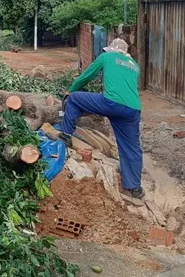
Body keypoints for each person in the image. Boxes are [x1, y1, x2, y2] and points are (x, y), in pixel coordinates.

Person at [61, 38, 144, 199]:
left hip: (111, 103)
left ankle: (65, 135)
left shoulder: (107, 56)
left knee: (75, 98)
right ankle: (135, 187)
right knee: (131, 147)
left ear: (111, 49)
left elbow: (87, 76)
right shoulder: (135, 66)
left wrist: (71, 90)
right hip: (132, 110)